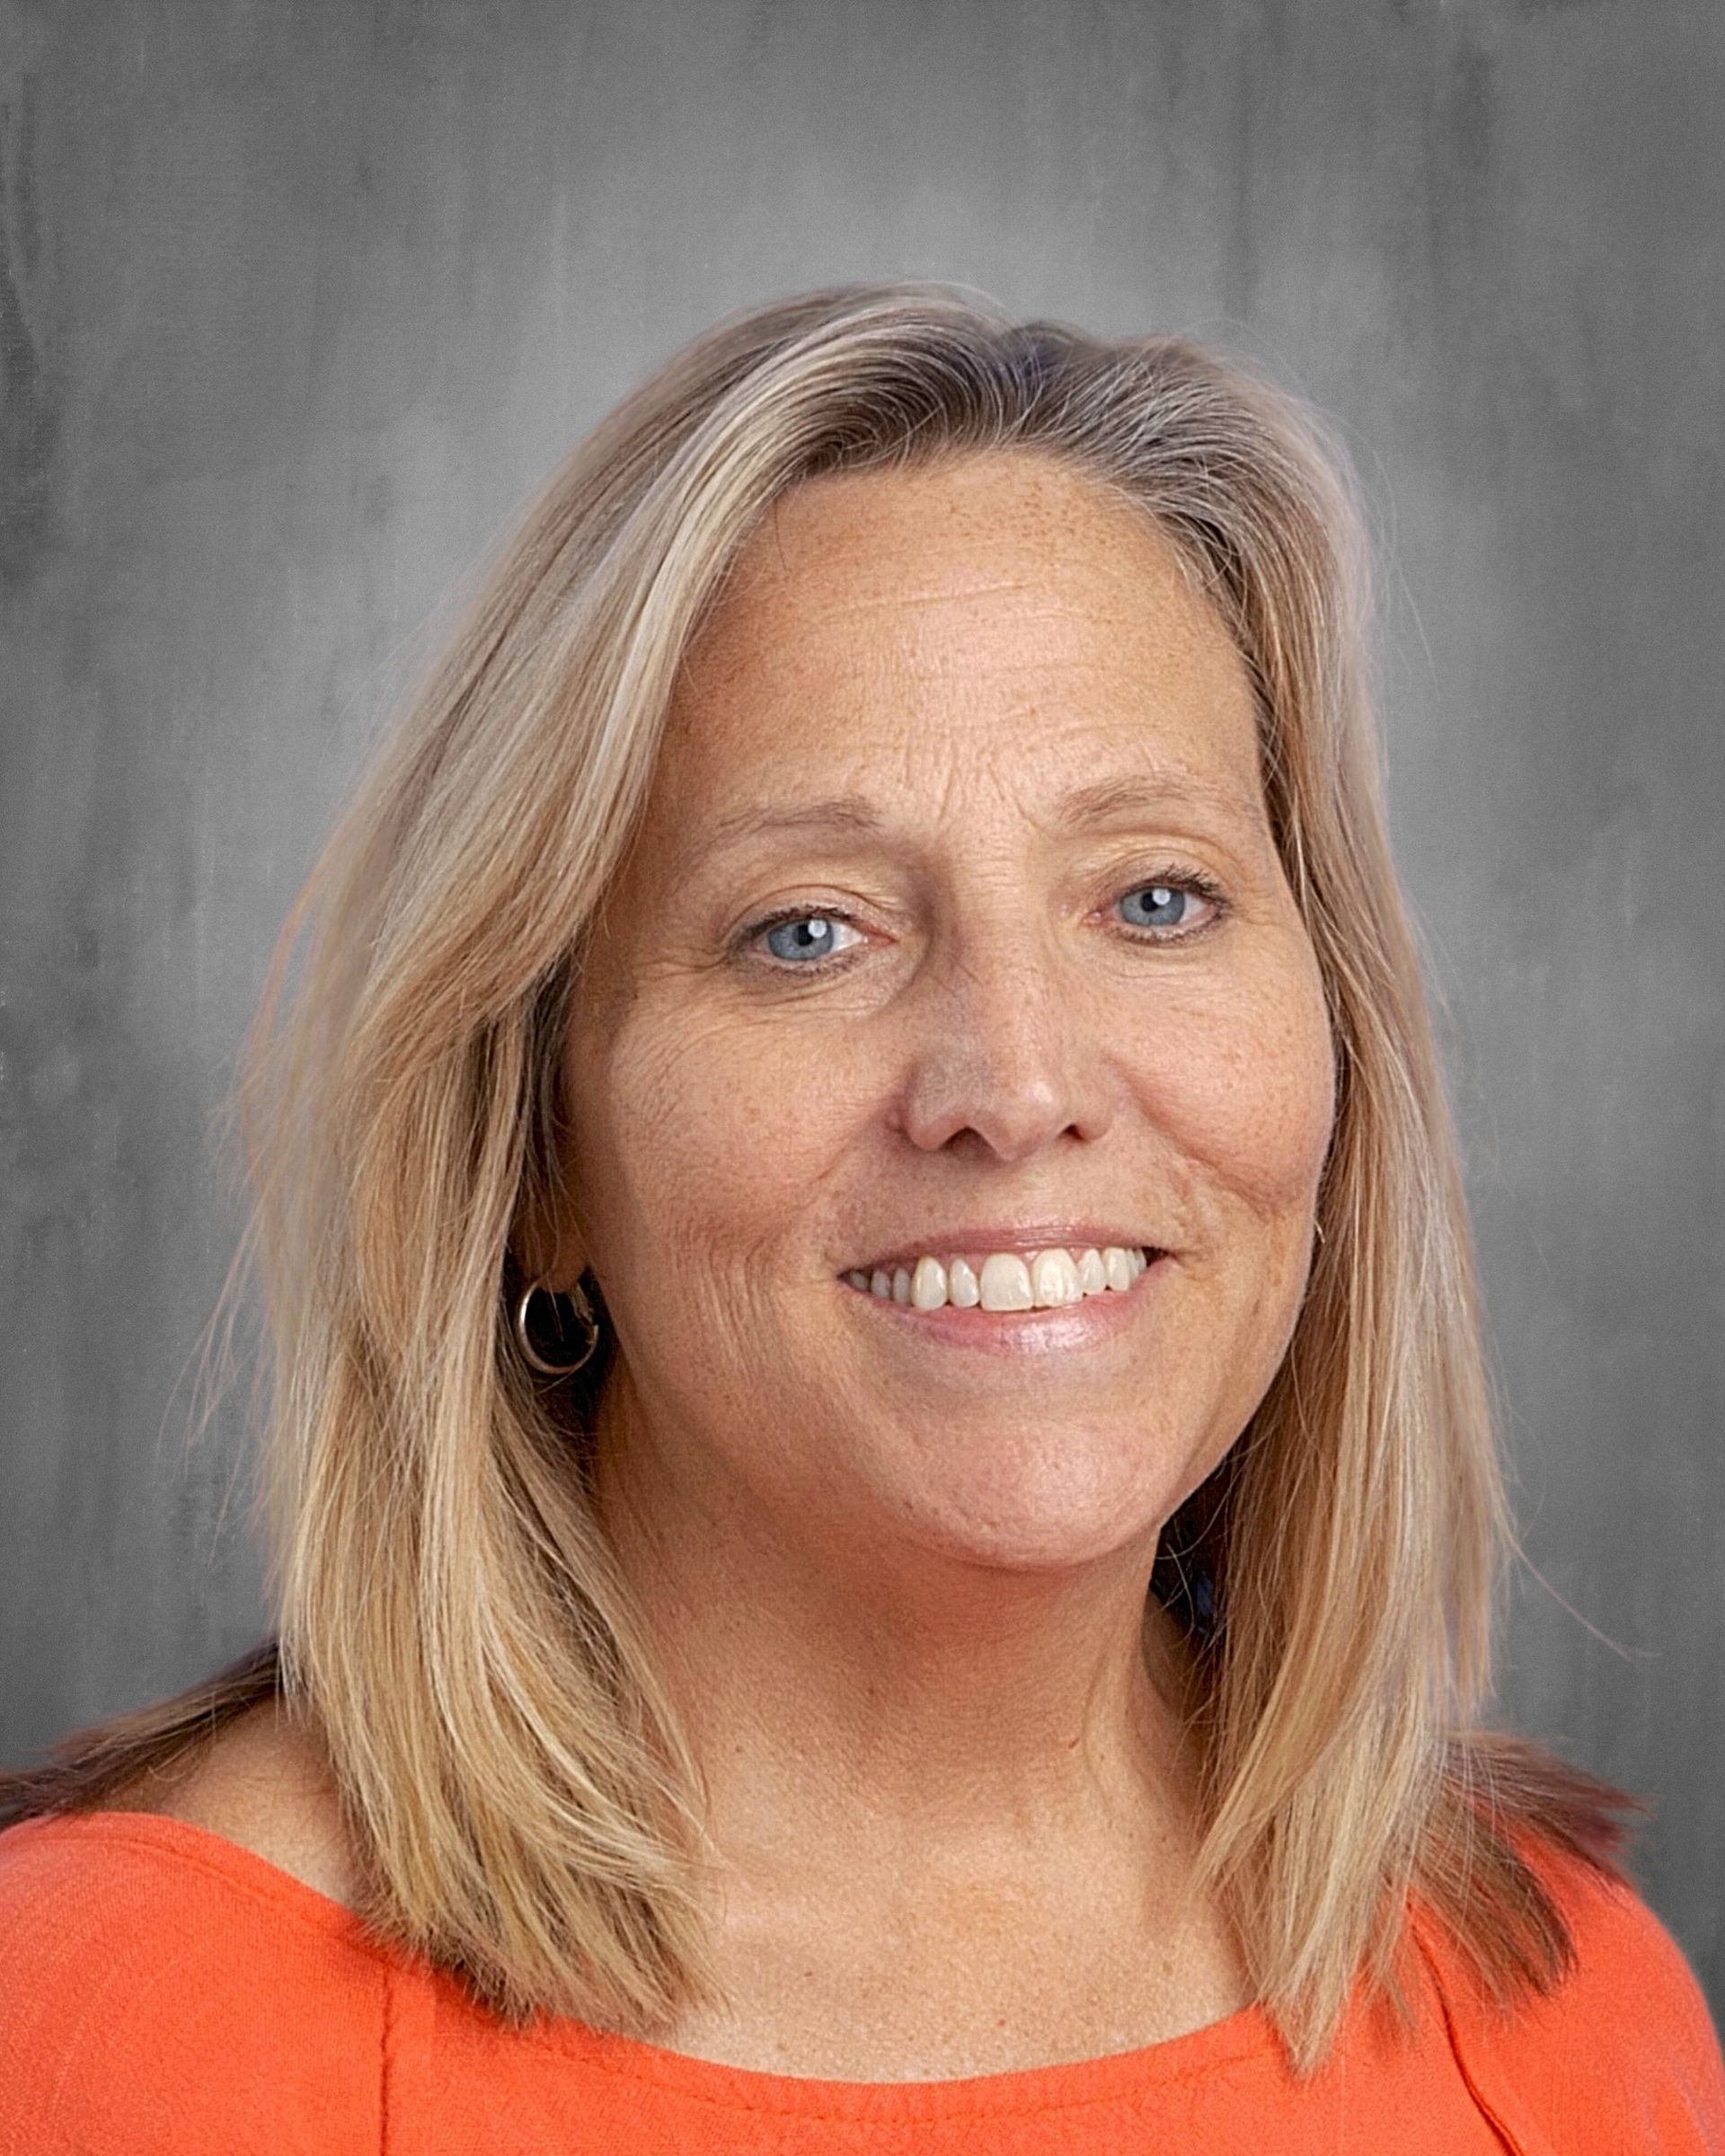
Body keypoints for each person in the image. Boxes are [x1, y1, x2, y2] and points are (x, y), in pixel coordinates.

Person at [2, 282, 1721, 2152]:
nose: (1014, 1078)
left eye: (1153, 900)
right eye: (807, 930)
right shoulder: (118, 2028)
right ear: (541, 1154)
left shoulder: (1562, 2019)